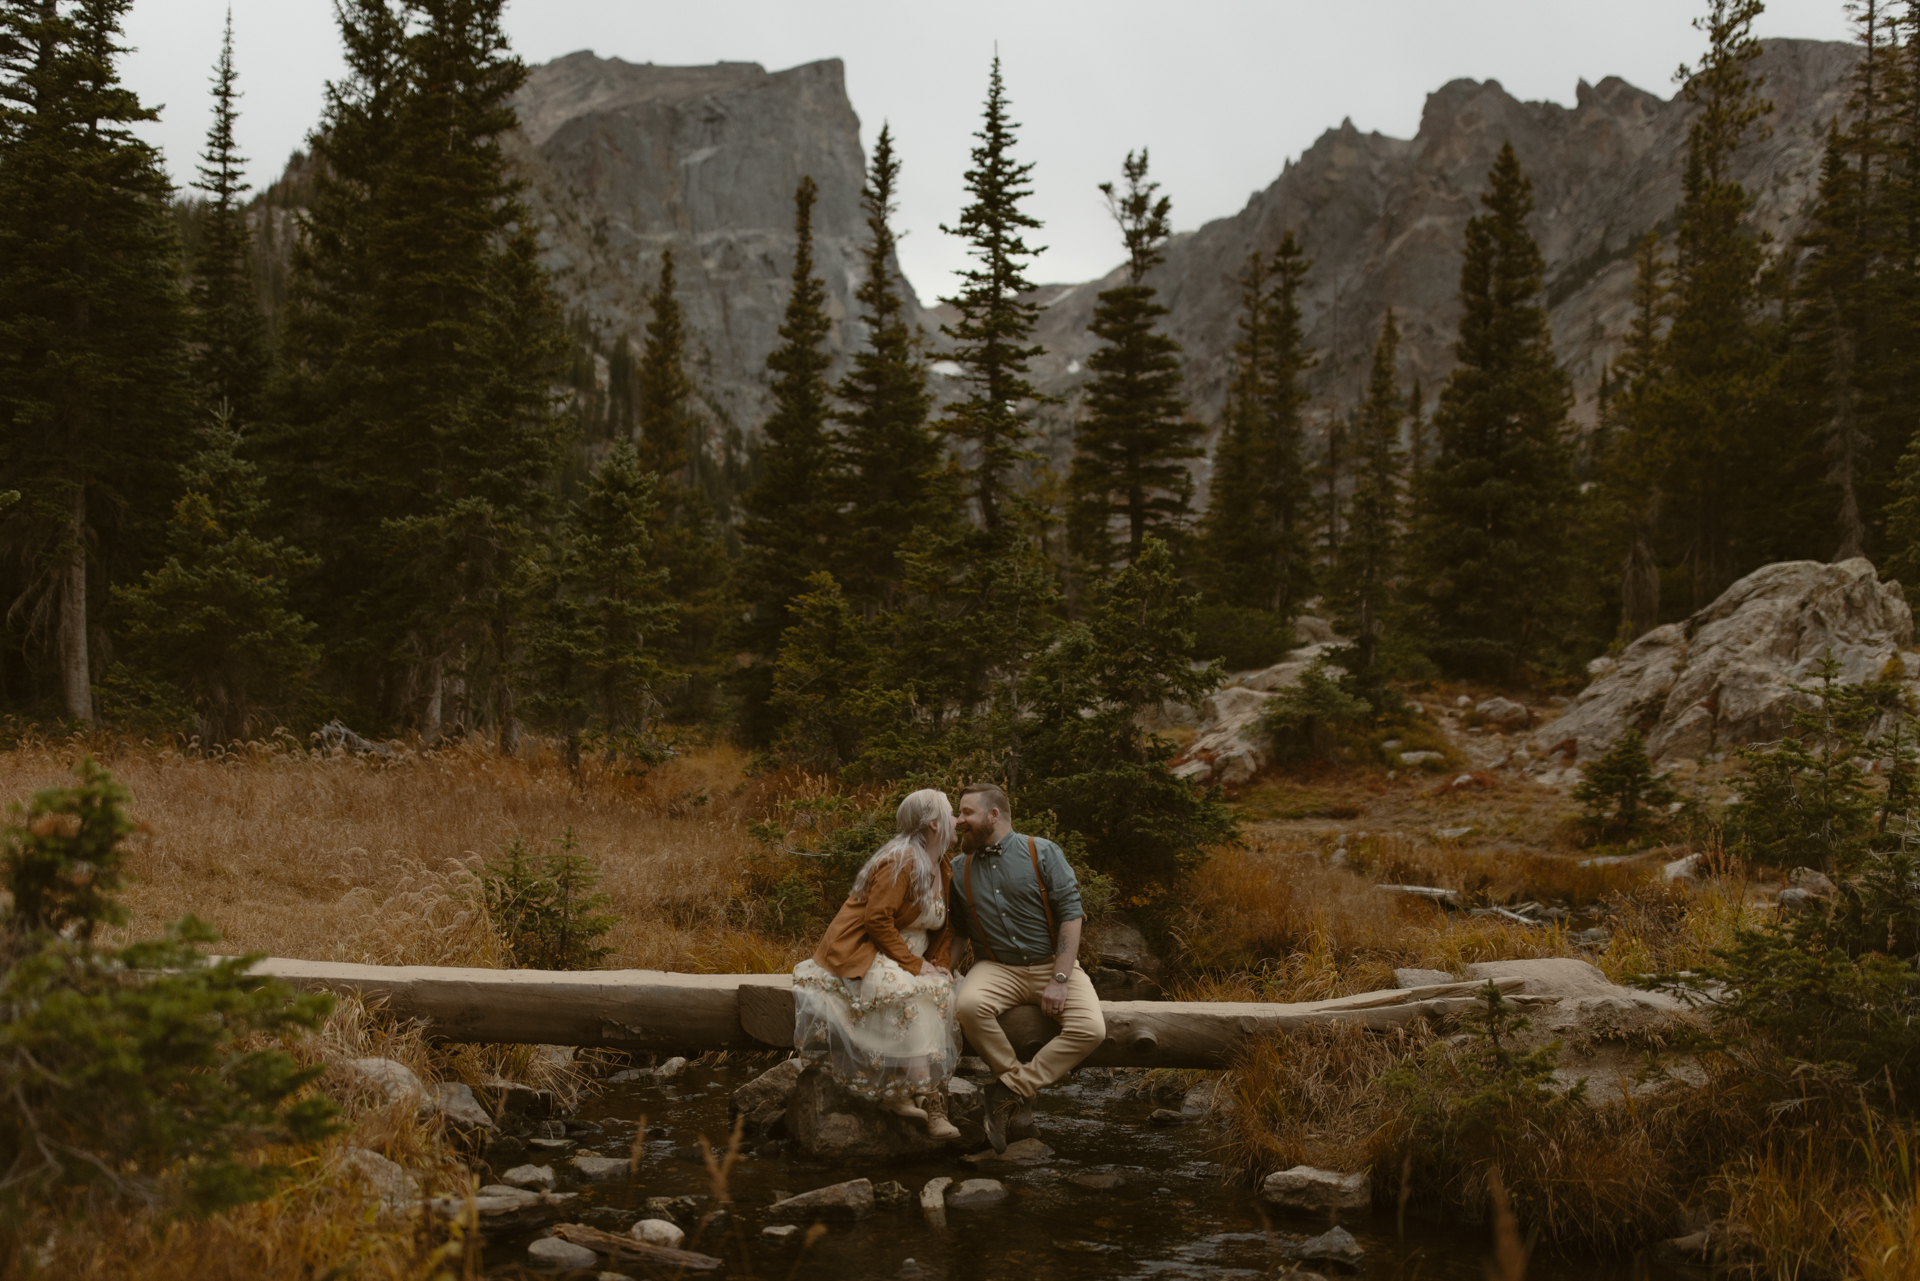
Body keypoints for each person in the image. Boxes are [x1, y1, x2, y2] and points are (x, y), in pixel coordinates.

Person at [790, 788, 962, 1139]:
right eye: (951, 813)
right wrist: (915, 965)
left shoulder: (942, 864)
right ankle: (930, 1102)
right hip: (870, 948)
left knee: (939, 986)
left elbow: (947, 928)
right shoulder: (902, 860)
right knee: (910, 995)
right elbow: (877, 920)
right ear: (933, 824)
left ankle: (897, 1095)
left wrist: (939, 963)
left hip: (907, 954)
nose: (957, 820)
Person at [948, 782, 1105, 1153]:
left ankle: (1007, 1089)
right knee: (968, 1006)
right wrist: (940, 972)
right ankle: (1017, 1084)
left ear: (993, 814)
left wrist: (1061, 978)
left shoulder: (1043, 852)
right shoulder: (958, 867)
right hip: (996, 967)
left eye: (967, 812)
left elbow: (1071, 915)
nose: (959, 820)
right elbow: (957, 933)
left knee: (1091, 1029)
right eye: (959, 813)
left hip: (1054, 964)